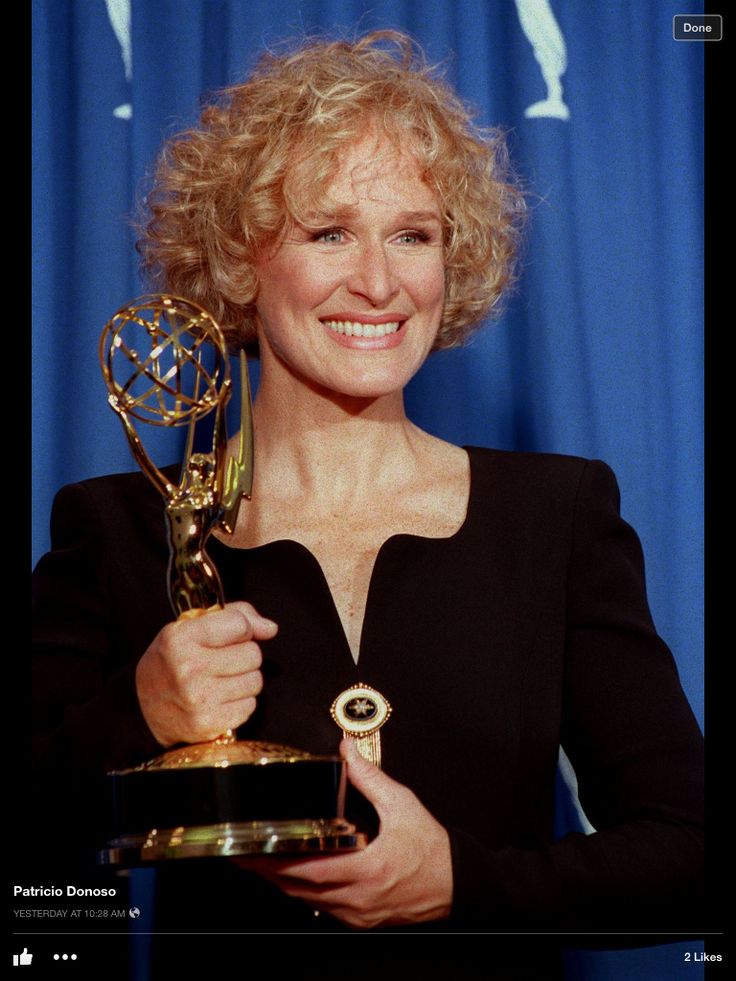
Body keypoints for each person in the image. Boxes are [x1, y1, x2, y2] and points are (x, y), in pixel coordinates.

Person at [32, 29, 703, 971]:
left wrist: (464, 885)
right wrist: (132, 715)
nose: (381, 282)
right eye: (329, 231)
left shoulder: (556, 517)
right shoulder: (121, 530)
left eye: (413, 235)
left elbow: (689, 854)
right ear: (237, 259)